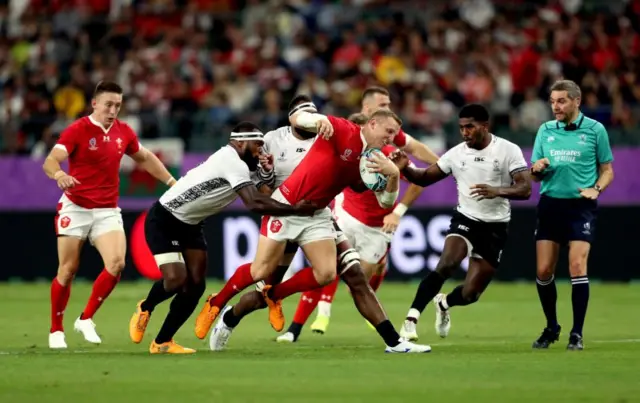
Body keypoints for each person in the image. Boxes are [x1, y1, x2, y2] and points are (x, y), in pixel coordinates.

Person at [196, 108, 431, 353]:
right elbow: (296, 118)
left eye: (395, 133)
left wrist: (393, 175)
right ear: (372, 124)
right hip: (286, 206)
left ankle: (393, 342)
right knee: (261, 271)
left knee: (328, 274)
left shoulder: (372, 159)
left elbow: (385, 202)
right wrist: (316, 121)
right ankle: (221, 306)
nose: (392, 137)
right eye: (389, 131)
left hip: (316, 214)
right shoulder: (341, 129)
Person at [127, 122, 317, 353]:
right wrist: (296, 210)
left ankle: (162, 342)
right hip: (165, 219)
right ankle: (146, 307)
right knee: (176, 280)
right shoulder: (231, 160)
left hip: (192, 224)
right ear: (239, 143)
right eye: (256, 145)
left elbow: (265, 193)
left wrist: (266, 173)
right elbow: (254, 202)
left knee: (196, 285)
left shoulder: (246, 163)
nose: (261, 150)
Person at [281, 87, 442, 339]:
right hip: (346, 214)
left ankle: (366, 315)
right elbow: (305, 133)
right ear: (370, 114)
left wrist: (441, 169)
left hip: (376, 226)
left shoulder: (391, 145)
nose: (389, 106)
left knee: (362, 277)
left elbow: (415, 167)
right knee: (327, 268)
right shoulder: (343, 132)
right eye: (384, 103)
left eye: (389, 103)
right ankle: (299, 325)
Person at [371, 104, 532, 342]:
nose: (464, 132)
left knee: (471, 294)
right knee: (446, 264)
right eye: (461, 127)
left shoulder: (508, 150)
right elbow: (424, 179)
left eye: (470, 127)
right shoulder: (456, 154)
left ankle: (444, 303)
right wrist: (406, 167)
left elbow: (525, 188)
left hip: (496, 227)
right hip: (466, 219)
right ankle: (410, 320)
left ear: (484, 126)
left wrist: (495, 191)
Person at [43, 81, 176, 349]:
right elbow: (51, 159)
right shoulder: (78, 129)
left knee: (116, 264)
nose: (113, 110)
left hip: (106, 210)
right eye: (108, 104)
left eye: (117, 105)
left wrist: (173, 182)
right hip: (75, 206)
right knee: (67, 271)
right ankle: (56, 329)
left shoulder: (123, 132)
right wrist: (59, 174)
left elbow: (145, 158)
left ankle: (86, 318)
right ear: (95, 104)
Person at [530, 80, 614, 351]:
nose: (556, 106)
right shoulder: (545, 130)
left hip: (580, 207)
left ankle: (576, 333)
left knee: (577, 266)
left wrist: (596, 188)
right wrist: (538, 167)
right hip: (550, 204)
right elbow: (534, 174)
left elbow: (608, 169)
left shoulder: (595, 130)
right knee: (544, 270)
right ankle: (552, 326)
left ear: (577, 101)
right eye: (553, 101)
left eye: (561, 101)